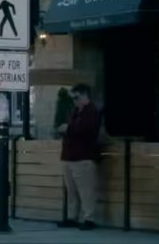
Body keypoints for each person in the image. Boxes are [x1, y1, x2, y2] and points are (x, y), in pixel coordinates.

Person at [57, 83, 101, 230]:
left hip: (83, 157)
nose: (74, 101)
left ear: (84, 96)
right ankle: (72, 217)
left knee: (86, 190)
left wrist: (68, 128)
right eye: (72, 98)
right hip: (70, 156)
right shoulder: (75, 111)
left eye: (76, 97)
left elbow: (87, 130)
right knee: (72, 191)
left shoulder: (91, 112)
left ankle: (89, 218)